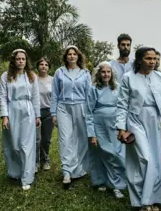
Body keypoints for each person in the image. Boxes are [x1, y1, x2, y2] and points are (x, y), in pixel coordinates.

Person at [116, 47, 161, 211]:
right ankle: (141, 200)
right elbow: (122, 105)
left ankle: (151, 201)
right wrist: (121, 128)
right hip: (135, 120)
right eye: (148, 58)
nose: (153, 62)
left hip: (154, 121)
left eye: (155, 59)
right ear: (140, 60)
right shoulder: (128, 78)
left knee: (155, 161)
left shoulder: (159, 77)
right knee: (144, 159)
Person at [0, 49, 41, 191]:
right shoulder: (6, 76)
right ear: (14, 60)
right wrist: (4, 116)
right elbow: (2, 97)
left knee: (26, 145)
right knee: (14, 144)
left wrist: (37, 115)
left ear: (26, 60)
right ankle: (16, 171)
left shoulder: (31, 76)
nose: (21, 61)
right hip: (12, 110)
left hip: (28, 110)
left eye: (23, 59)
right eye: (18, 59)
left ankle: (27, 177)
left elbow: (36, 97)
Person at [51, 45, 91, 189]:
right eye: (69, 54)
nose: (72, 56)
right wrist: (53, 113)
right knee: (65, 139)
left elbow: (89, 95)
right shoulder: (59, 72)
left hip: (81, 107)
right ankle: (67, 171)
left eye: (74, 54)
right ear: (66, 57)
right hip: (63, 107)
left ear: (78, 56)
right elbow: (54, 94)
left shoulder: (85, 73)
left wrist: (89, 113)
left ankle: (79, 169)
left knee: (81, 139)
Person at [86, 61, 126, 199]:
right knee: (104, 153)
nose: (106, 74)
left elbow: (123, 107)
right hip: (99, 125)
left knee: (116, 153)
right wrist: (92, 134)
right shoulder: (93, 89)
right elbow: (89, 112)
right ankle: (106, 182)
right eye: (103, 72)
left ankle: (117, 183)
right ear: (99, 73)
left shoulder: (118, 87)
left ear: (112, 73)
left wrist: (123, 125)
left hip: (115, 125)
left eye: (108, 72)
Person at [35, 57, 55, 172]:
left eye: (46, 65)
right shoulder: (32, 79)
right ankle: (36, 162)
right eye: (41, 64)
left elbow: (55, 97)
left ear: (49, 67)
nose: (43, 66)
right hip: (35, 112)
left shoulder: (52, 80)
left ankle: (45, 160)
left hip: (48, 112)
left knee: (46, 139)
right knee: (36, 139)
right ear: (38, 66)